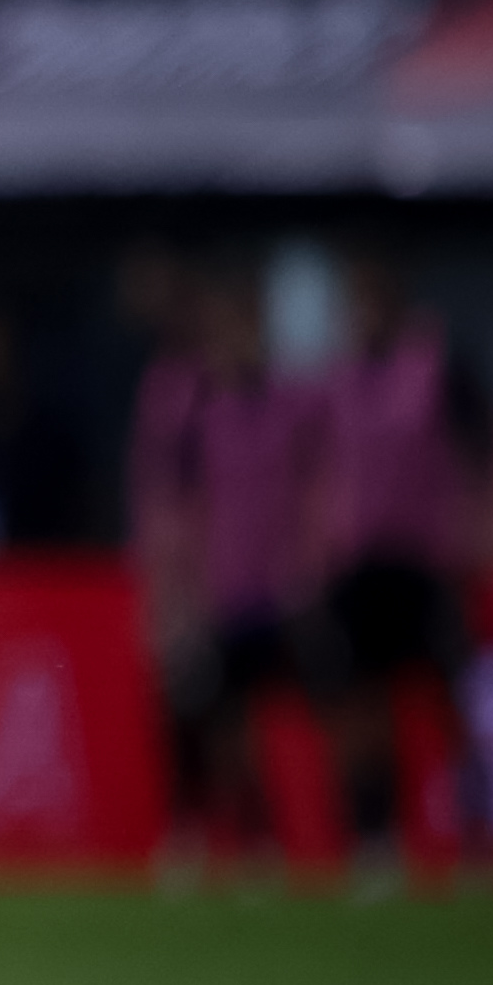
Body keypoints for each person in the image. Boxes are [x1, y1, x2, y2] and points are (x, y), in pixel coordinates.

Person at [127, 262, 314, 886]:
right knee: (202, 717)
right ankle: (201, 832)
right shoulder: (192, 408)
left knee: (253, 721)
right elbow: (175, 508)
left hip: (270, 587)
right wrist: (173, 590)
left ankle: (269, 836)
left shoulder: (286, 403)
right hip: (208, 588)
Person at [304, 253, 481, 892]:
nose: (365, 314)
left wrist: (471, 542)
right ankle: (378, 842)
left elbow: (474, 458)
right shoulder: (336, 382)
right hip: (358, 566)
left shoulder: (435, 368)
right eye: (357, 301)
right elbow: (319, 472)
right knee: (363, 713)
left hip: (424, 562)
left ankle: (475, 844)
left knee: (449, 707)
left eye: (375, 299)